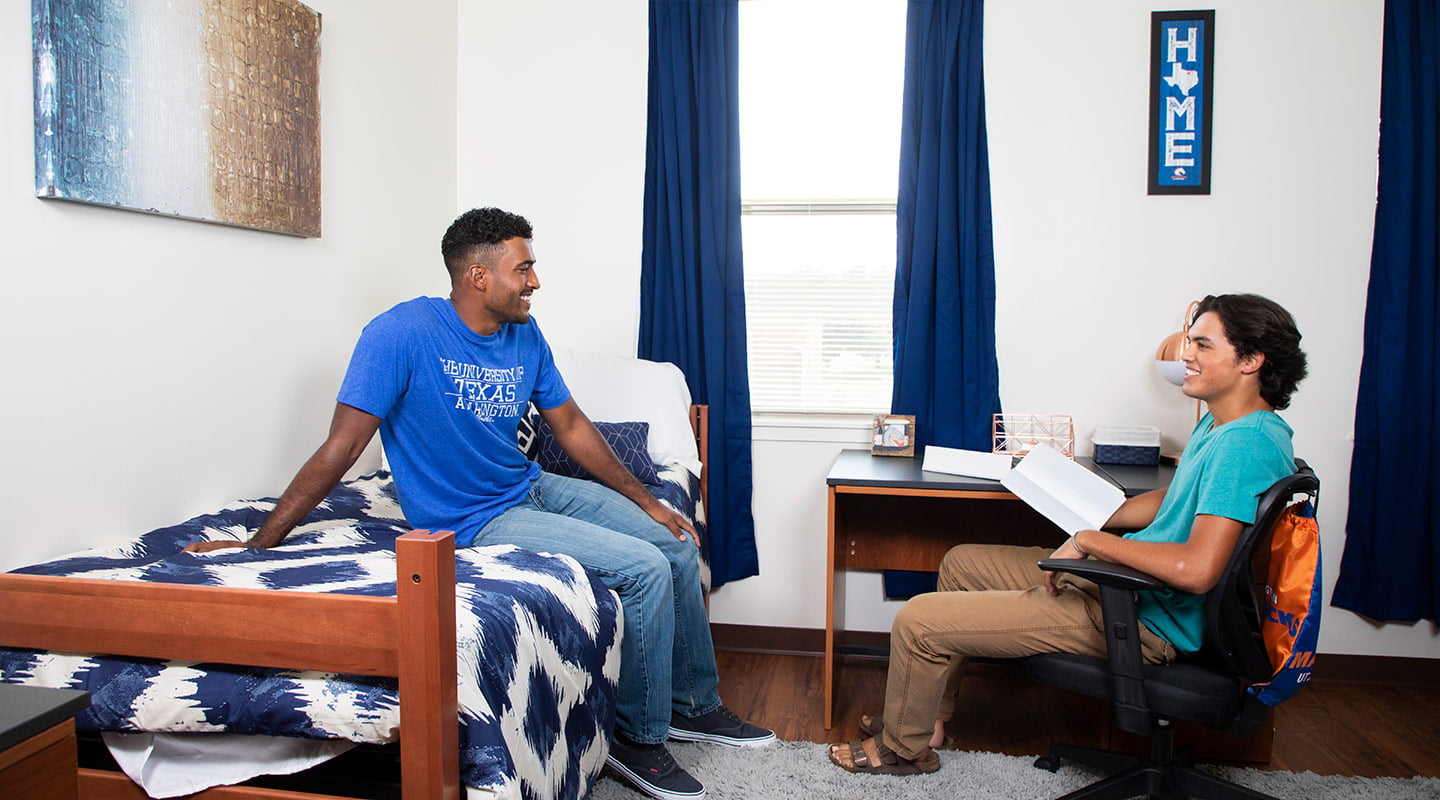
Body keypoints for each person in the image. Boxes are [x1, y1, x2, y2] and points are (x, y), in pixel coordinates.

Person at [186, 207, 773, 800]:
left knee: (673, 543)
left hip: (528, 485)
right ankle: (636, 740)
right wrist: (261, 543)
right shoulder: (399, 335)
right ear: (478, 277)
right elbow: (341, 447)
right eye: (525, 269)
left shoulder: (524, 335)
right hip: (472, 519)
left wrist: (649, 502)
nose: (535, 282)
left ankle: (693, 704)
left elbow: (568, 425)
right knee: (644, 570)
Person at [828, 293, 1308, 776]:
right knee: (960, 562)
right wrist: (1100, 509)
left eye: (1203, 345)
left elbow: (1198, 570)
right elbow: (1176, 500)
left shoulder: (1244, 445)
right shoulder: (1224, 427)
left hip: (1144, 620)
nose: (1185, 355)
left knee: (918, 620)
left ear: (1251, 361)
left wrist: (1088, 540)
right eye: (1190, 342)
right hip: (1123, 584)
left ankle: (903, 752)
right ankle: (925, 721)